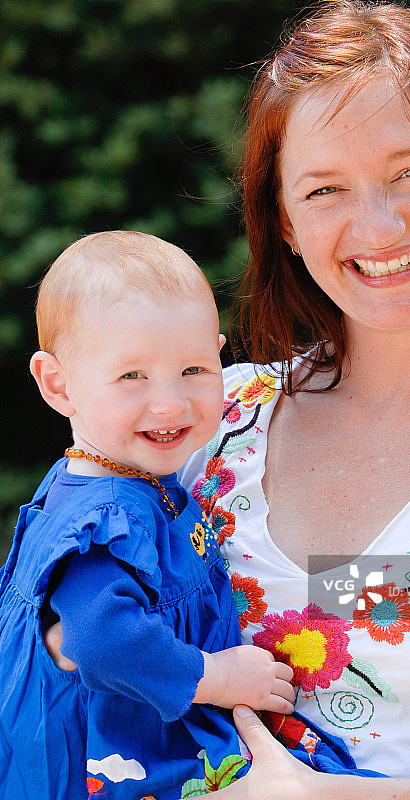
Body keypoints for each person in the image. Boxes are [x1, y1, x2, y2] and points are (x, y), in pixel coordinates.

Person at [176, 1, 410, 798]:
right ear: (287, 226)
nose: (377, 224)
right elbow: (53, 643)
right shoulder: (203, 423)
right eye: (325, 189)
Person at [0, 230, 379, 800]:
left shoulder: (134, 481)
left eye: (195, 370)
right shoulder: (103, 516)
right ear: (58, 384)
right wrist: (218, 676)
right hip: (136, 764)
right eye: (132, 376)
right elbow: (94, 639)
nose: (171, 402)